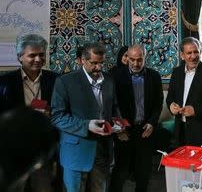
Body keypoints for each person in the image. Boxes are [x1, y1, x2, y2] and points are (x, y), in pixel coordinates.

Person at [51, 42, 122, 192]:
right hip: (76, 151)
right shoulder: (65, 82)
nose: (98, 67)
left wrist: (117, 122)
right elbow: (57, 117)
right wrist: (86, 125)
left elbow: (114, 107)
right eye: (94, 63)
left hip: (103, 150)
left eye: (101, 63)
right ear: (82, 60)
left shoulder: (109, 80)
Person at [0, 33, 59, 191]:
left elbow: (63, 110)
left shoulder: (55, 80)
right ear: (20, 57)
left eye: (41, 54)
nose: (38, 59)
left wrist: (50, 114)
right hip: (13, 149)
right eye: (32, 55)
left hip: (43, 150)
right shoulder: (5, 83)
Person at [110, 45, 163, 192]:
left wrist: (152, 123)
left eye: (139, 60)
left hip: (145, 131)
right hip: (124, 131)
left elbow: (158, 103)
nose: (135, 63)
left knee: (144, 172)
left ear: (145, 58)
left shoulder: (154, 76)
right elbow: (111, 105)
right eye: (132, 59)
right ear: (127, 58)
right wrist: (118, 129)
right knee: (121, 171)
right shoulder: (116, 76)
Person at [166, 37, 202, 148]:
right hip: (181, 132)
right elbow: (170, 98)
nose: (193, 56)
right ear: (182, 55)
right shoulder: (176, 72)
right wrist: (171, 106)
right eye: (189, 53)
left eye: (196, 52)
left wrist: (195, 110)